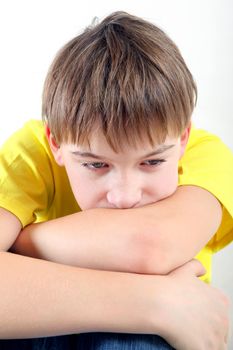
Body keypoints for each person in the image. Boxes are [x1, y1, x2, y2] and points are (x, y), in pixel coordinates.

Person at [0, 11, 232, 350]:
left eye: (152, 161)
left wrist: (19, 247)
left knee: (131, 339)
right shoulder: (33, 152)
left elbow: (149, 247)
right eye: (95, 165)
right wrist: (157, 303)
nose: (125, 197)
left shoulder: (207, 155)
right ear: (56, 143)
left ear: (182, 139)